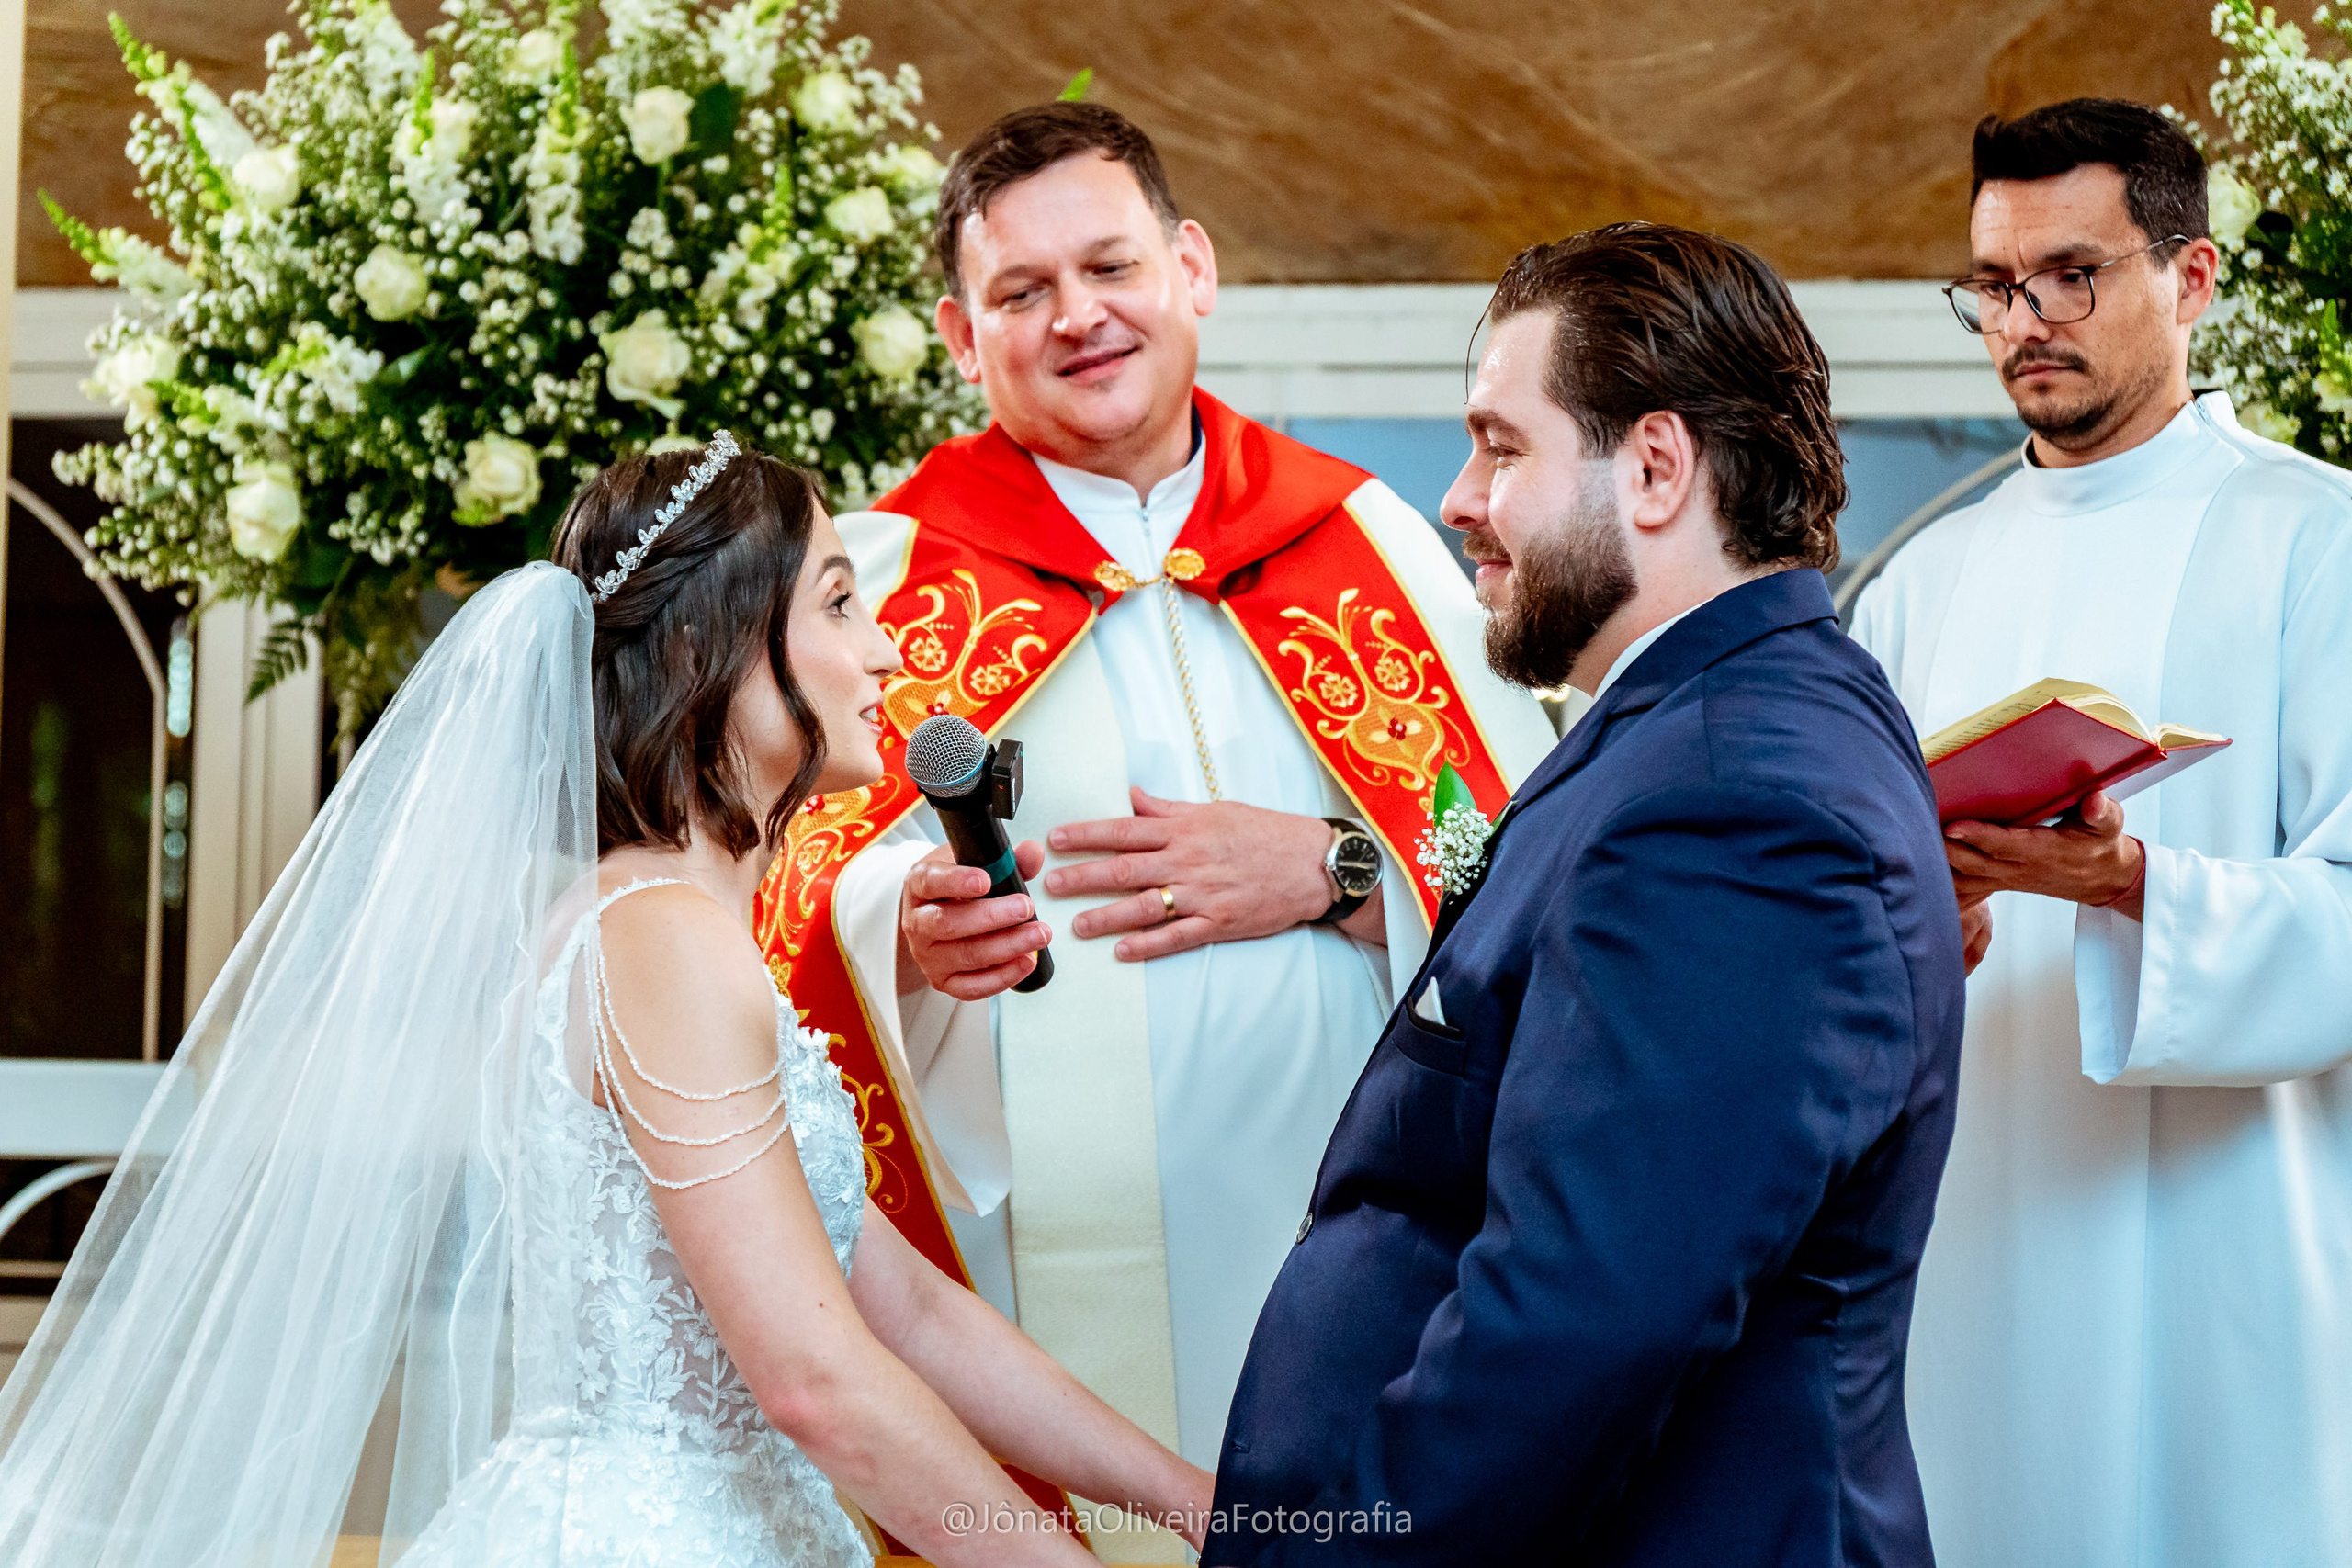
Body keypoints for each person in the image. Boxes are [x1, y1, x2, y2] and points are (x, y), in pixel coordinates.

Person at [0, 437, 1208, 1566]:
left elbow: (908, 1309)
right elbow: (815, 1382)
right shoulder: (663, 940)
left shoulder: (654, 926)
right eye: (839, 603)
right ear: (708, 653)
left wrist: (1202, 1505)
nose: (888, 650)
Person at [753, 98, 1558, 1527]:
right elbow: (781, 911)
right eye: (1023, 290)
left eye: (1111, 266)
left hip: (1366, 1246)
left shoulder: (1367, 538)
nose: (1079, 315)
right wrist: (906, 933)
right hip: (1037, 1295)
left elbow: (1528, 869)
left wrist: (1334, 867)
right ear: (961, 337)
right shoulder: (880, 576)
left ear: (1191, 267)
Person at [1205, 225, 1966, 1566]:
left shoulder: (1736, 791)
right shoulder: (1705, 721)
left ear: (1659, 469)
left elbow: (1586, 1320)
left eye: (1503, 446)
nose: (1458, 497)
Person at [1849, 98, 2352, 1568]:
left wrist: (2133, 885)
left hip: (2235, 1236)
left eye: (2070, 275)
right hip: (1973, 1239)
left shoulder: (2318, 544)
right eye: (1994, 288)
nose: (2024, 321)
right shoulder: (1915, 587)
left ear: (2191, 279)